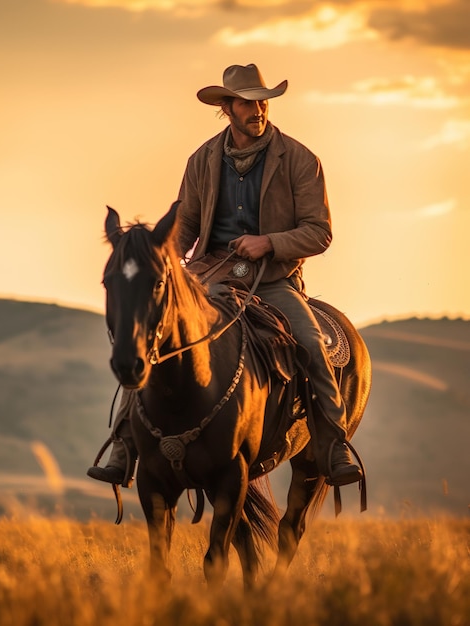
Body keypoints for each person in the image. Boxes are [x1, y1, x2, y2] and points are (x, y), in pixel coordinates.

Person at [88, 63, 362, 488]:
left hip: (273, 280)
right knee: (155, 335)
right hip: (209, 276)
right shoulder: (202, 159)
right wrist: (165, 265)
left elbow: (319, 232)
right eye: (247, 102)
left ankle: (334, 442)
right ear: (226, 108)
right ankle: (125, 443)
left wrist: (268, 242)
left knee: (310, 343)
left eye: (262, 101)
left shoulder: (301, 159)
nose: (257, 109)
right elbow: (186, 225)